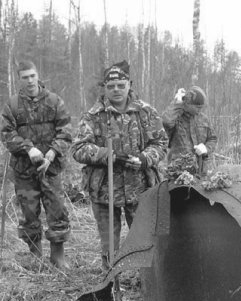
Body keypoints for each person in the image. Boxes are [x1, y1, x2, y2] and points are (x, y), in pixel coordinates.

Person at [71, 60, 168, 270]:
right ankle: (111, 282)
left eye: (121, 85)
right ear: (104, 88)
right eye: (111, 86)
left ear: (129, 85)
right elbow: (78, 148)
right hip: (104, 190)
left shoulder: (146, 113)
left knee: (143, 240)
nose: (116, 90)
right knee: (109, 244)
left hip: (141, 187)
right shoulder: (93, 116)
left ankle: (144, 281)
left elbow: (160, 143)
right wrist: (108, 155)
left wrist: (144, 159)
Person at [1, 60, 72, 268]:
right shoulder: (12, 105)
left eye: (32, 76)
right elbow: (6, 134)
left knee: (57, 209)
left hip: (51, 169)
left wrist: (51, 153)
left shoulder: (54, 101)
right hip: (24, 171)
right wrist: (28, 148)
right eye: (25, 77)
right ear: (19, 79)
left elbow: (66, 131)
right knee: (28, 212)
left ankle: (57, 256)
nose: (30, 80)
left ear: (38, 75)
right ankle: (35, 254)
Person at [161, 86, 217, 169]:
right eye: (197, 107)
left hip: (201, 169)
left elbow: (212, 138)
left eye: (201, 107)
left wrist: (206, 148)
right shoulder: (176, 117)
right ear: (188, 104)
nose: (200, 110)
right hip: (179, 170)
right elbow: (166, 122)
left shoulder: (203, 119)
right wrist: (177, 103)